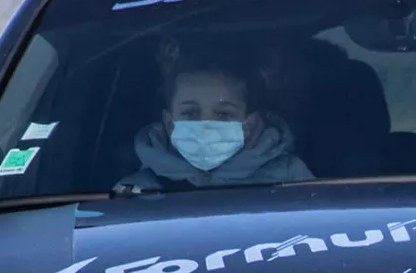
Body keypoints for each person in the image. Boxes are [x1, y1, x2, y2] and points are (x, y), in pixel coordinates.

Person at [121, 54, 313, 190]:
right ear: (170, 124)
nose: (206, 125)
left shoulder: (290, 178)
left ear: (249, 125)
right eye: (190, 113)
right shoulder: (136, 190)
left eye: (223, 114)